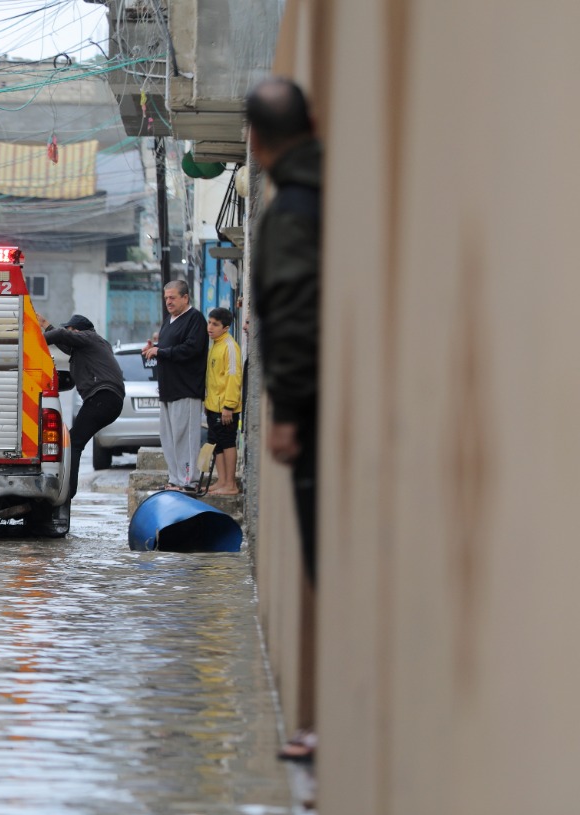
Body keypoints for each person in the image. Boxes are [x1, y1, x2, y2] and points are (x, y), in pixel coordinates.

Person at [246, 76, 322, 763]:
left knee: (323, 555)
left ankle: (326, 722)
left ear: (258, 142)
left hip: (315, 412)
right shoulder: (325, 185)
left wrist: (289, 410)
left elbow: (293, 310)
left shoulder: (294, 207)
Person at [44, 315, 125, 500]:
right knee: (75, 441)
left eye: (71, 331)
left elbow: (62, 335)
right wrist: (46, 325)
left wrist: (34, 340)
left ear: (78, 331)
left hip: (103, 397)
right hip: (110, 400)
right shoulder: (92, 346)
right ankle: (68, 489)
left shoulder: (89, 337)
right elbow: (65, 342)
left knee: (73, 442)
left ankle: (67, 492)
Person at [141, 281, 208, 491]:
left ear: (185, 298)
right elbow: (169, 347)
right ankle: (175, 479)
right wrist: (155, 348)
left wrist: (161, 352)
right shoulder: (169, 320)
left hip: (186, 389)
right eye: (166, 298)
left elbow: (191, 349)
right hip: (168, 389)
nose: (168, 302)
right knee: (168, 438)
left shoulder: (194, 318)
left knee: (185, 437)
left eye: (173, 297)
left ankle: (190, 481)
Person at [204, 307, 242, 495]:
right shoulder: (215, 344)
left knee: (227, 442)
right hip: (213, 406)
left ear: (226, 327)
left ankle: (230, 484)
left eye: (215, 324)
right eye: (209, 322)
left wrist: (228, 406)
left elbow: (233, 378)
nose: (210, 327)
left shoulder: (229, 346)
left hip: (225, 408)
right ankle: (221, 481)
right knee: (216, 442)